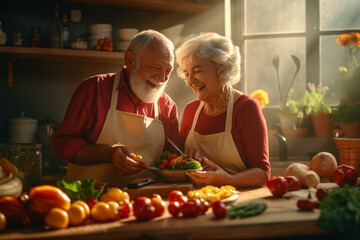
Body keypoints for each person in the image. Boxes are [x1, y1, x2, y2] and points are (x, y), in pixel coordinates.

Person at [52, 30, 179, 188]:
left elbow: (171, 159)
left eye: (168, 71)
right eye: (155, 67)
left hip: (144, 205)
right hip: (89, 201)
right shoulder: (94, 89)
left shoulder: (167, 106)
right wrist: (107, 153)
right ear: (130, 60)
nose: (162, 79)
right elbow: (63, 144)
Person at [175, 32, 270, 188]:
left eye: (197, 71)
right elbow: (177, 162)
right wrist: (188, 158)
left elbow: (262, 173)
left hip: (237, 200)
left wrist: (227, 180)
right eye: (186, 73)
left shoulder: (246, 108)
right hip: (197, 200)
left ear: (221, 68)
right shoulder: (190, 111)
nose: (191, 80)